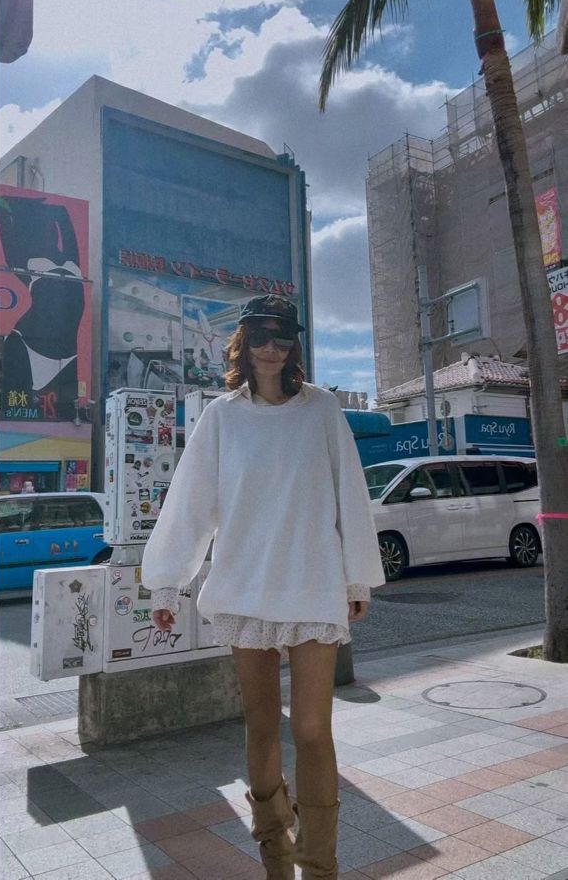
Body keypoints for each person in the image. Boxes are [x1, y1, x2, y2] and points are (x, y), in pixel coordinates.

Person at [142, 294, 385, 879]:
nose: (271, 346)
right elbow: (192, 503)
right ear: (243, 345)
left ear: (294, 344)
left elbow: (350, 493)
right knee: (261, 727)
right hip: (245, 586)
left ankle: (319, 866)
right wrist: (167, 585)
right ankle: (276, 857)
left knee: (312, 729)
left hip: (312, 584)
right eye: (259, 336)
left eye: (282, 335)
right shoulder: (222, 416)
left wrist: (357, 575)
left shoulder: (322, 409)